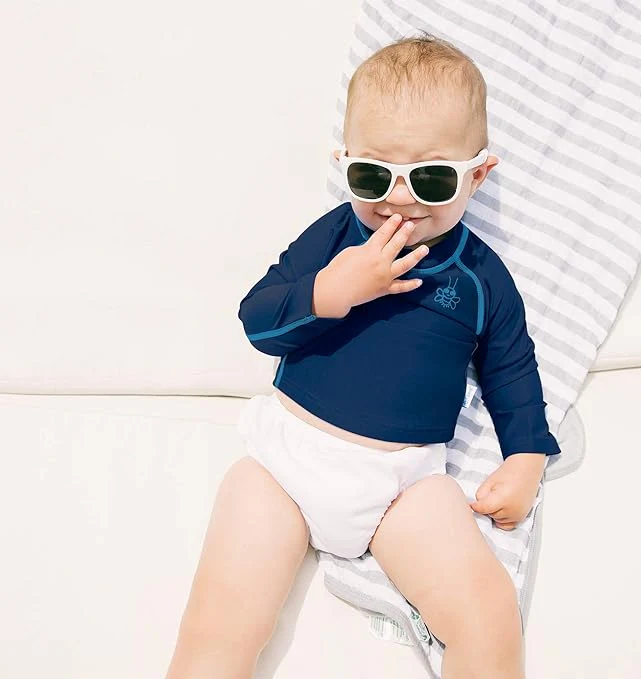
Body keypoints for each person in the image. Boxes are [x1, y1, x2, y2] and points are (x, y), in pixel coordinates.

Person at [165, 33, 560, 679]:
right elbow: (259, 321)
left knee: (487, 613)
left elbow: (510, 369)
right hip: (284, 467)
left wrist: (525, 456)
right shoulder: (334, 238)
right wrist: (329, 291)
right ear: (345, 163)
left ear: (478, 175)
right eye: (372, 175)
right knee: (221, 624)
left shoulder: (482, 277)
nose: (397, 198)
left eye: (431, 178)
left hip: (403, 487)